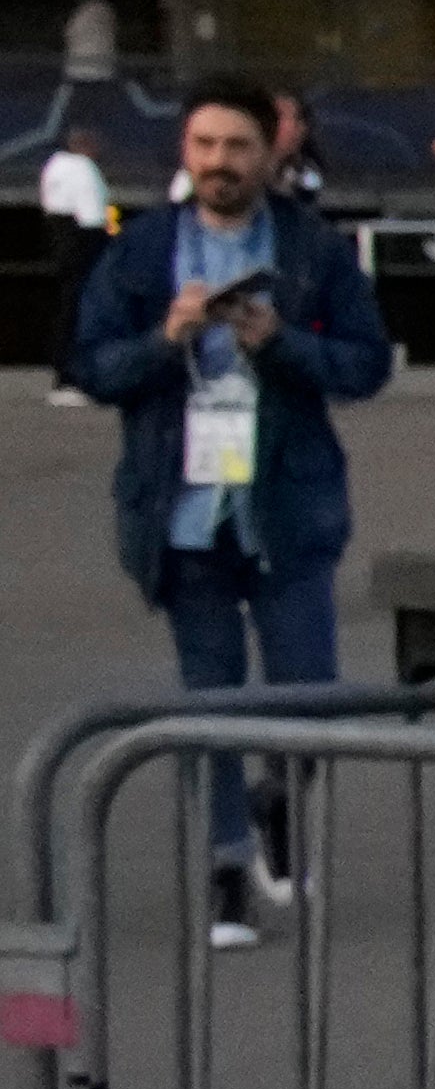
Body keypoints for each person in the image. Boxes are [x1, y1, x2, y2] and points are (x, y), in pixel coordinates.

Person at [68, 77, 393, 947]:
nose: (219, 163)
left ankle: (278, 795)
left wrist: (277, 341)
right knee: (209, 701)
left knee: (311, 696)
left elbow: (366, 366)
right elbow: (93, 367)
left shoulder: (314, 251)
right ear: (185, 151)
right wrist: (163, 340)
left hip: (287, 506)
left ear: (271, 152)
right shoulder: (139, 252)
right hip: (182, 513)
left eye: (237, 147)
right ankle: (226, 867)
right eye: (205, 146)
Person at [39, 120, 115, 406]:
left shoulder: (53, 167)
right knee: (81, 312)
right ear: (84, 143)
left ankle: (64, 375)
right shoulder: (84, 170)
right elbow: (94, 218)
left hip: (62, 247)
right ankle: (73, 378)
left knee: (66, 309)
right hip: (83, 247)